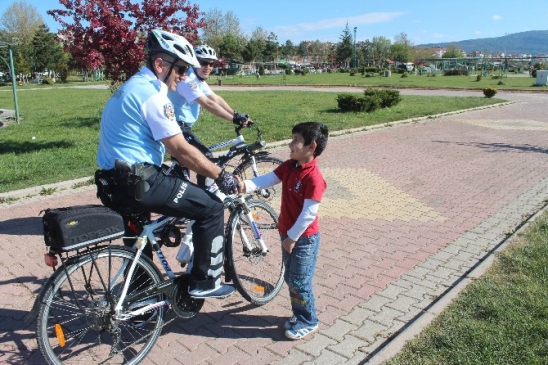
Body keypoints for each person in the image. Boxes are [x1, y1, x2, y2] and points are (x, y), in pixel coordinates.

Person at [95, 29, 240, 300]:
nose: (184, 76)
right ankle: (205, 282)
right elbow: (181, 149)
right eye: (182, 69)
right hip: (141, 181)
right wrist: (221, 174)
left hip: (113, 182)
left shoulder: (131, 86)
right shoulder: (152, 95)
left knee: (138, 236)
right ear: (161, 65)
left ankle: (138, 297)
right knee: (211, 207)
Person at [236, 122, 328, 340]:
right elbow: (268, 179)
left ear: (311, 146)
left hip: (304, 238)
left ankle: (308, 320)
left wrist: (292, 238)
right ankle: (301, 314)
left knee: (299, 281)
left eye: (296, 140)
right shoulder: (290, 166)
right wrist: (245, 185)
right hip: (288, 234)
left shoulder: (314, 178)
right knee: (290, 277)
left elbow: (308, 214)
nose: (290, 143)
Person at [167, 44, 251, 166]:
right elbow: (207, 103)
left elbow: (215, 98)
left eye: (211, 64)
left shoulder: (197, 78)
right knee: (205, 159)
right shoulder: (188, 80)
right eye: (204, 63)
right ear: (195, 62)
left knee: (183, 165)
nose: (208, 67)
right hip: (176, 126)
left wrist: (236, 114)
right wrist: (233, 119)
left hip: (182, 126)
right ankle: (201, 186)